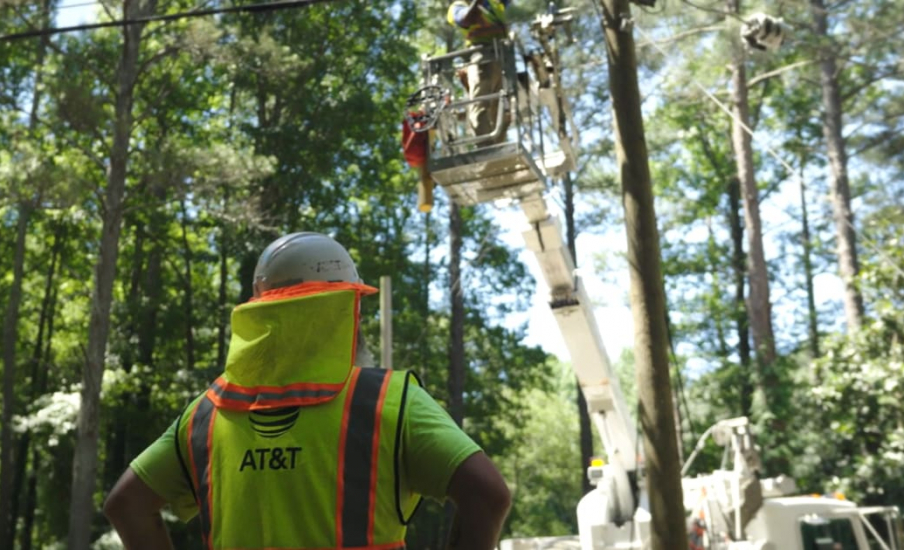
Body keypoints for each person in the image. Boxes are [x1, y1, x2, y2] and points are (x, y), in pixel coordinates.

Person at [103, 232, 511, 549]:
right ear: (340, 309)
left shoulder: (207, 412)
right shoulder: (387, 400)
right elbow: (489, 494)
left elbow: (126, 505)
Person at [447, 0, 510, 145]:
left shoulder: (493, 4)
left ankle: (498, 147)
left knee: (499, 109)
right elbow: (466, 19)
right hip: (482, 58)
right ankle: (485, 148)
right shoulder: (457, 7)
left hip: (500, 60)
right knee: (479, 105)